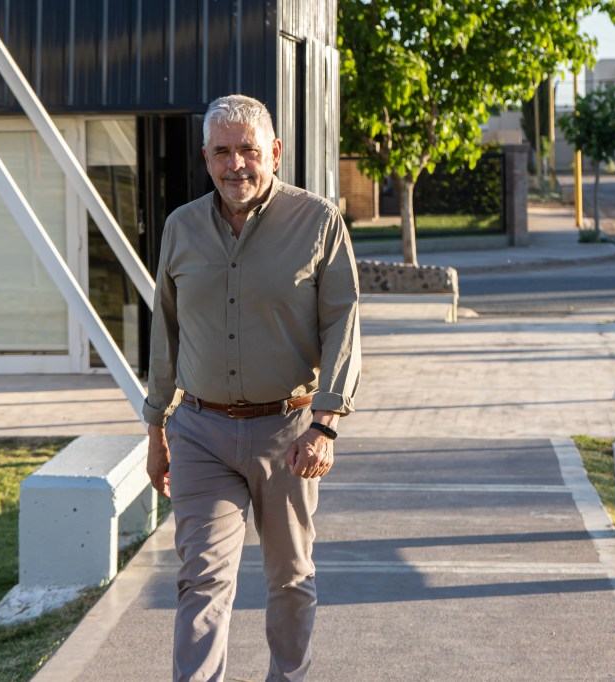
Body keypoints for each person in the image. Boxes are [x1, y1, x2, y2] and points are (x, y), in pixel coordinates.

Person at [142, 94, 361, 682]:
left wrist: (325, 423)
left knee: (290, 577)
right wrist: (155, 426)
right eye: (222, 153)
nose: (235, 165)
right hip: (200, 432)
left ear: (276, 153)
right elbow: (164, 328)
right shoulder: (181, 227)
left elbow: (343, 322)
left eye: (248, 151)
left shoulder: (318, 221)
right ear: (205, 156)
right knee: (202, 576)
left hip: (288, 431)